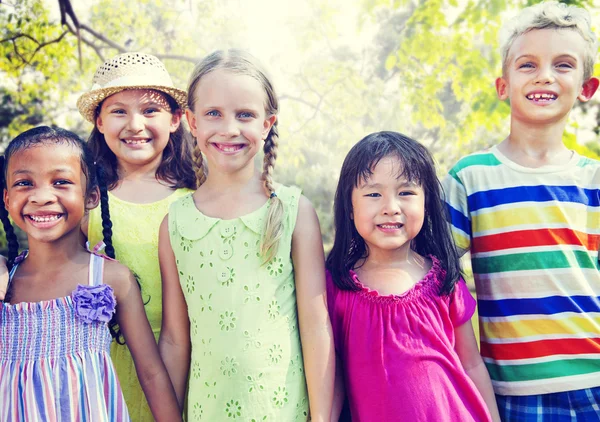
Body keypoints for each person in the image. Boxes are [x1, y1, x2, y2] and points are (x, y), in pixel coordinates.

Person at [442, 2, 600, 420]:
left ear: (587, 88)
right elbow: (432, 272)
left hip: (594, 383)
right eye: (527, 64)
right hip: (510, 391)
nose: (544, 76)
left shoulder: (594, 180)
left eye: (563, 65)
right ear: (503, 85)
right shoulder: (469, 179)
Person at [158, 49, 335, 421]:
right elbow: (175, 339)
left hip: (284, 411)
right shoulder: (175, 223)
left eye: (245, 115)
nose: (229, 129)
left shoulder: (292, 211)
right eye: (213, 114)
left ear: (267, 123)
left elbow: (316, 327)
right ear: (191, 121)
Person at [0, 126, 181, 421]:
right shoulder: (5, 284)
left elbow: (151, 373)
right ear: (7, 200)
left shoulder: (112, 279)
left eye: (61, 182)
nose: (42, 196)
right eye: (24, 183)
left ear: (92, 196)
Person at [326, 131, 500, 422]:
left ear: (426, 202)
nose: (391, 207)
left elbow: (470, 364)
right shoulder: (336, 286)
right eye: (373, 194)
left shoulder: (443, 280)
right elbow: (332, 377)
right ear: (349, 205)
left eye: (405, 192)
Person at [76, 52, 196, 420]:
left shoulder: (196, 200)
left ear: (176, 119)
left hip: (186, 355)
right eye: (118, 112)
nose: (134, 124)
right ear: (98, 121)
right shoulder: (87, 200)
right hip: (106, 358)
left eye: (150, 110)